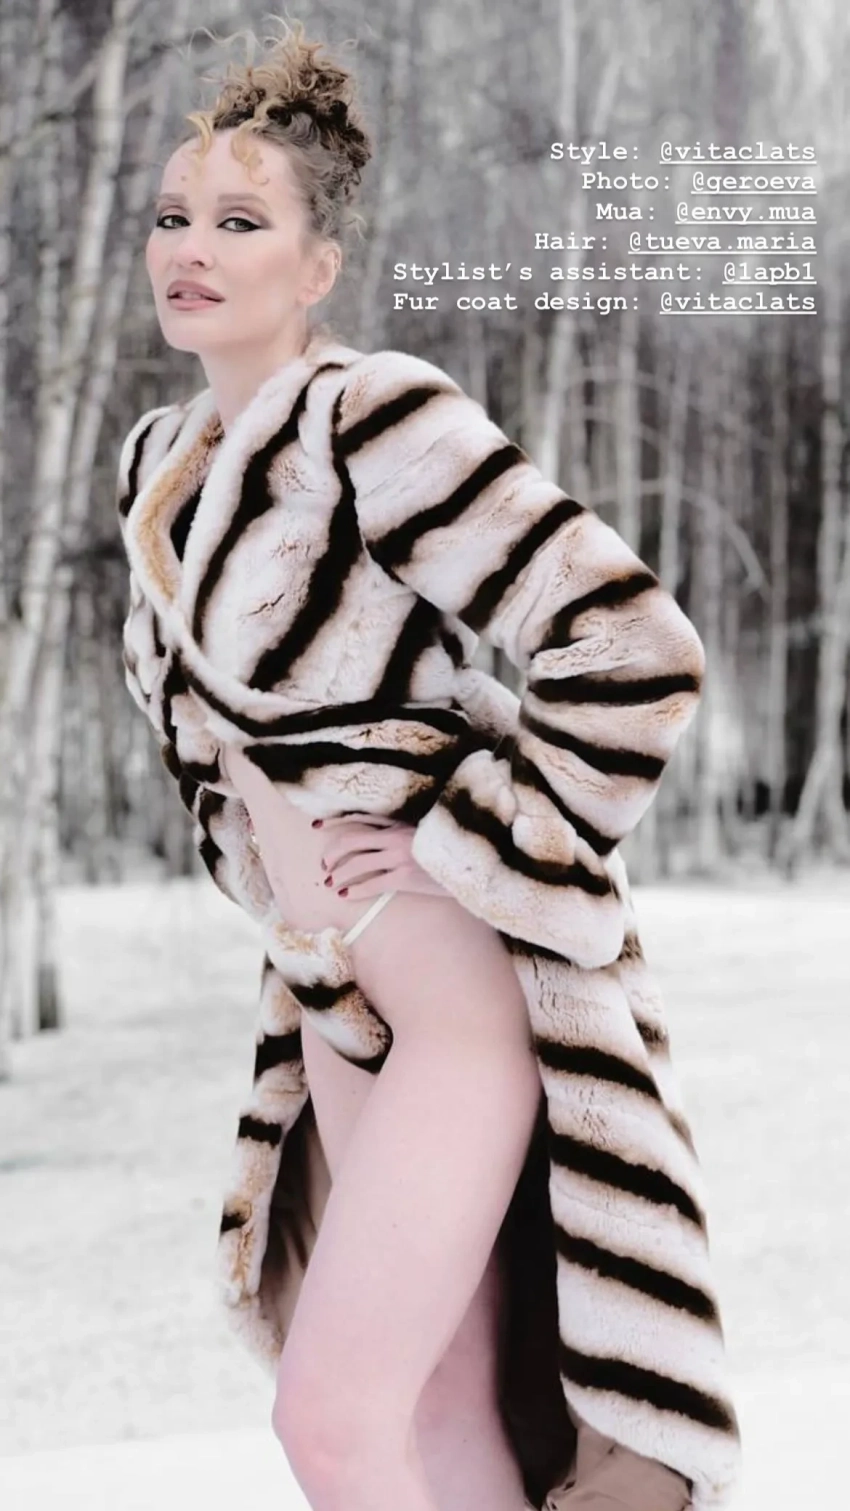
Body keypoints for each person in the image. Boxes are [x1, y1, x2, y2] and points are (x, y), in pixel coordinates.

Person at [117, 17, 741, 1511]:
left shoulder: (373, 413)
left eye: (241, 222)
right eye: (174, 215)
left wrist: (467, 841)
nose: (190, 249)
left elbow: (629, 642)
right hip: (334, 998)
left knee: (329, 1424)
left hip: (449, 991)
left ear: (317, 266)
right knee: (437, 1419)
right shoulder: (158, 462)